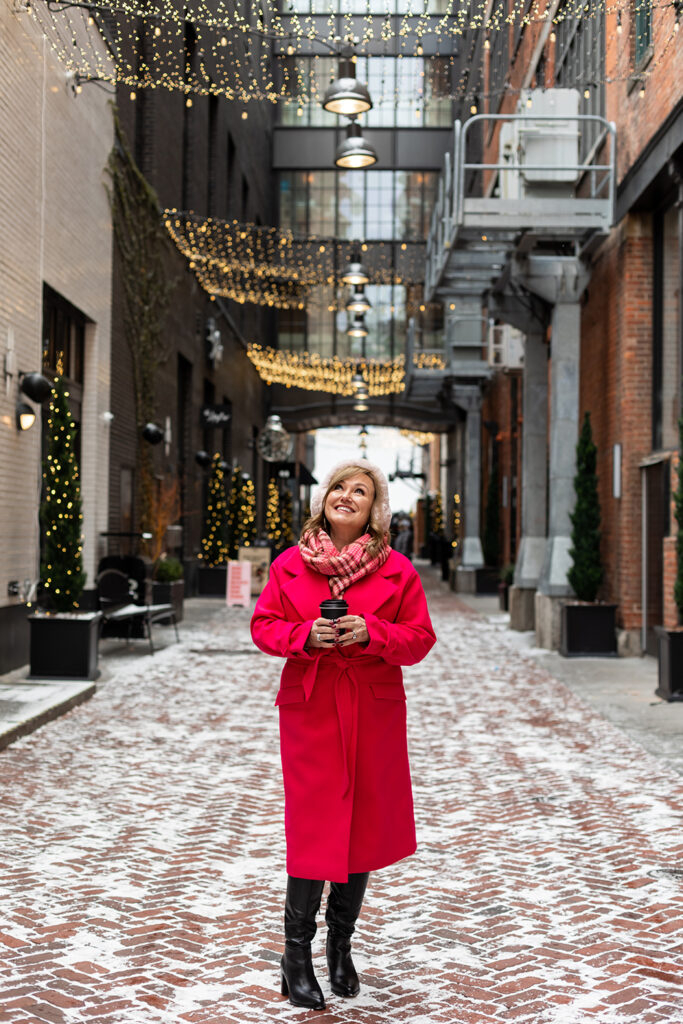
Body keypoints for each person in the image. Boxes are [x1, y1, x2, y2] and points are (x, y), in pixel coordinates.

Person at [250, 459, 436, 1010]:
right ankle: (296, 956)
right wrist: (305, 635)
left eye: (361, 490)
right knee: (314, 829)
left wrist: (372, 632)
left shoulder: (399, 571)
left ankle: (340, 948)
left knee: (362, 830)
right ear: (324, 498)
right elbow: (263, 627)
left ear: (374, 508)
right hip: (311, 708)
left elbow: (420, 638)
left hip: (374, 711)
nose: (347, 496)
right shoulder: (289, 565)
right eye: (339, 487)